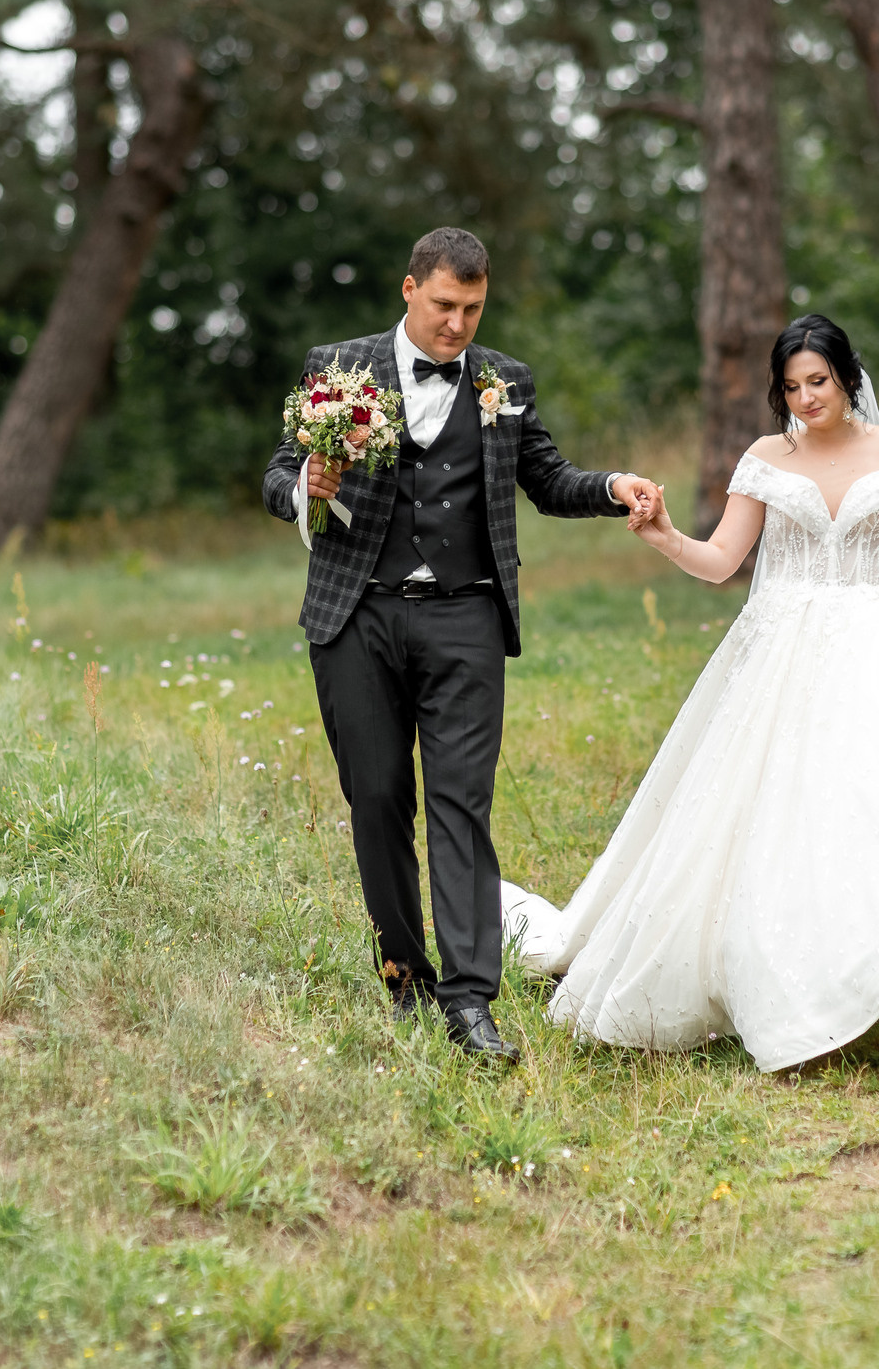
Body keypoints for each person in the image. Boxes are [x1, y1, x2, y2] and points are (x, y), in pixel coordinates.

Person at [500, 315, 879, 1071]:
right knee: (777, 811)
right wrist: (661, 533)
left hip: (877, 638)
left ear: (848, 375)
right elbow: (721, 561)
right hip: (782, 651)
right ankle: (781, 980)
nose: (805, 397)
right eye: (790, 386)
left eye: (817, 381)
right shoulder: (765, 458)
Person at [263, 227, 660, 1063]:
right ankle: (404, 972)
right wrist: (307, 484)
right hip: (356, 614)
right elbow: (276, 471)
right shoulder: (337, 366)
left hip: (466, 617)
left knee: (461, 808)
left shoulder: (503, 380)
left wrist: (613, 486)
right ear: (409, 290)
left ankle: (471, 999)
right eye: (445, 304)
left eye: (473, 308)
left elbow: (547, 480)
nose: (458, 325)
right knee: (376, 798)